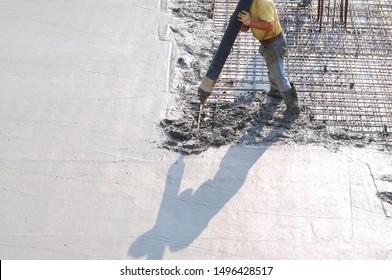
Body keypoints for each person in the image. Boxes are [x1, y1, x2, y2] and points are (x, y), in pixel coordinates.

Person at [238, 0, 300, 114]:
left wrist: (250, 21)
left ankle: (293, 107)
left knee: (279, 76)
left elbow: (269, 25)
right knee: (273, 70)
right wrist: (242, 22)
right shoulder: (248, 3)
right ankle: (276, 93)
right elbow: (246, 27)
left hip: (275, 42)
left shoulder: (263, 2)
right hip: (267, 43)